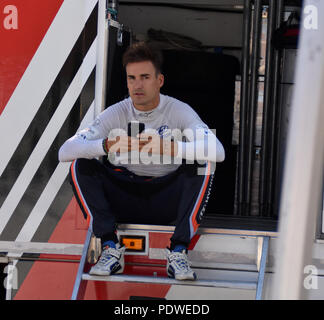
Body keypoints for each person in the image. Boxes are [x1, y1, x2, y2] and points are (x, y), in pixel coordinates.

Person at [59, 42, 225, 281]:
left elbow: (218, 151)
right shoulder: (116, 112)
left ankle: (178, 252)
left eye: (145, 77)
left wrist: (171, 147)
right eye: (132, 78)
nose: (137, 85)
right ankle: (109, 247)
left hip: (167, 198)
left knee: (204, 164)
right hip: (127, 195)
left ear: (160, 81)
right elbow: (64, 151)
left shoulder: (179, 110)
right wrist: (105, 145)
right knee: (80, 164)